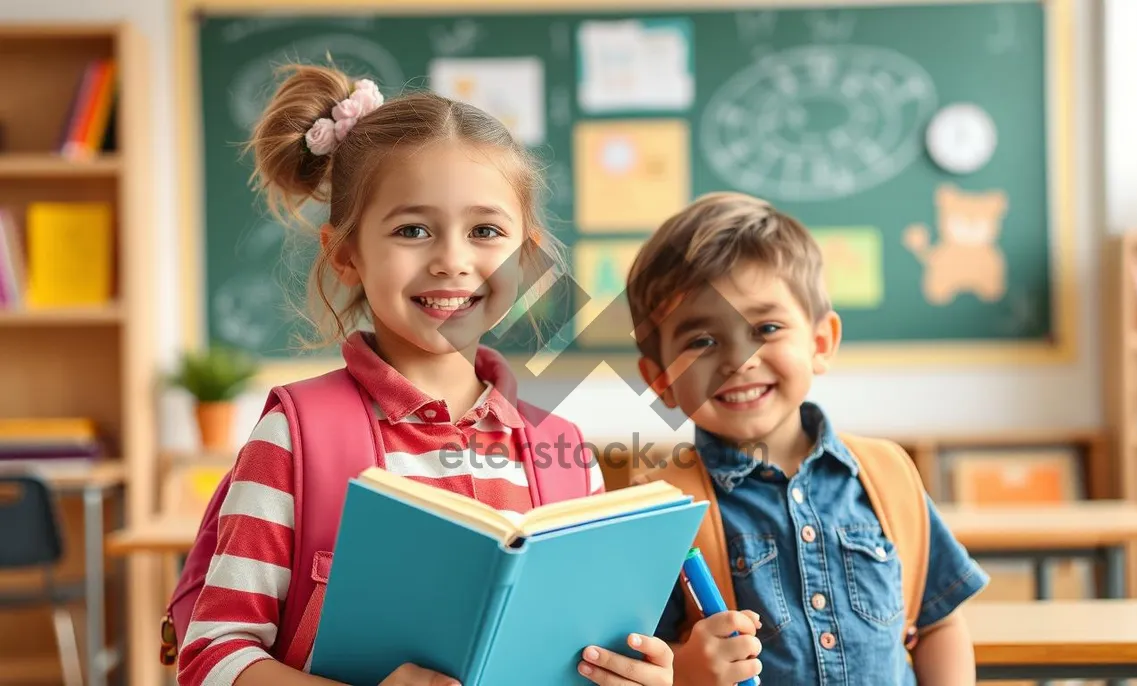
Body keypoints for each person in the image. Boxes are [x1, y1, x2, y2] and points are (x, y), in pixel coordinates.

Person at [174, 64, 674, 686]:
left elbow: (582, 653)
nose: (453, 261)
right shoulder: (294, 437)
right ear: (346, 253)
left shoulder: (566, 452)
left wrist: (632, 672)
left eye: (486, 231)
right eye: (412, 230)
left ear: (524, 255)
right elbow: (213, 658)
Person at [625, 192, 989, 685]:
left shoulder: (887, 476)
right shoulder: (657, 512)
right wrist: (684, 675)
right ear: (660, 379)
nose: (738, 360)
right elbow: (635, 662)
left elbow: (938, 621)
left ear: (820, 342)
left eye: (766, 328)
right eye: (702, 341)